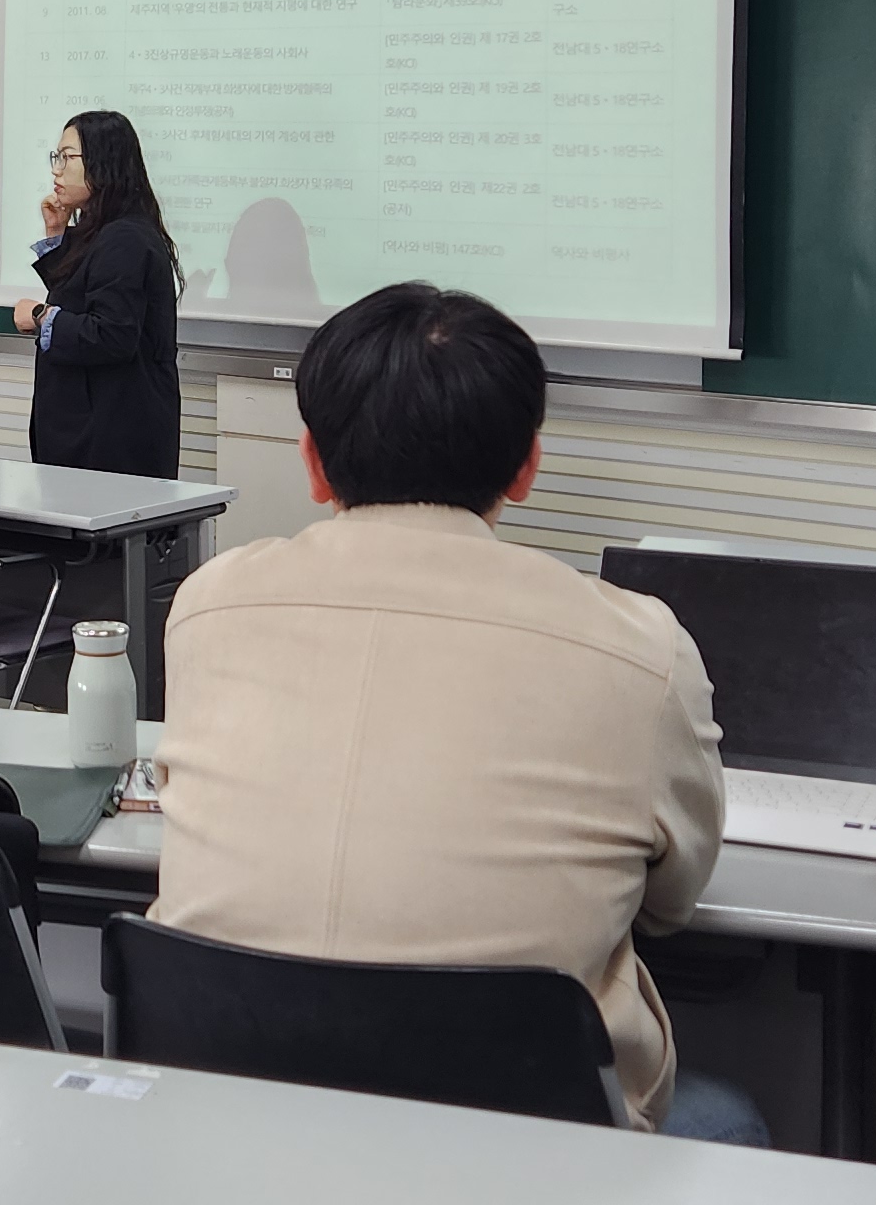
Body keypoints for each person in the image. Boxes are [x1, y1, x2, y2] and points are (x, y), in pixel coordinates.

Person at [146, 282, 752, 1142]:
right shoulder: (640, 648)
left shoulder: (209, 606)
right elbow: (673, 901)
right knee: (730, 1120)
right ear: (527, 466)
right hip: (527, 1149)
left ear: (313, 464)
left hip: (233, 1133)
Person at [13, 109, 181, 477]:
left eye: (67, 157)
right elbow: (79, 296)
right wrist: (57, 235)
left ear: (103, 163)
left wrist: (41, 316)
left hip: (109, 439)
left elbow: (112, 334)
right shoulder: (104, 231)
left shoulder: (125, 238)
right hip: (89, 431)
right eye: (56, 157)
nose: (56, 171)